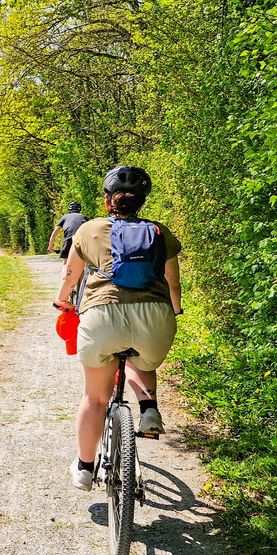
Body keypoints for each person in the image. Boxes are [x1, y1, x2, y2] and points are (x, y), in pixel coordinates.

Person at [52, 166, 182, 492]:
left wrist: (62, 302)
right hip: (155, 318)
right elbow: (173, 282)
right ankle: (149, 409)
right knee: (142, 360)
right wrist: (174, 310)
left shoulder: (90, 229)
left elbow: (70, 276)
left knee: (95, 397)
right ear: (141, 201)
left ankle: (84, 468)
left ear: (108, 200)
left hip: (102, 317)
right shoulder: (160, 232)